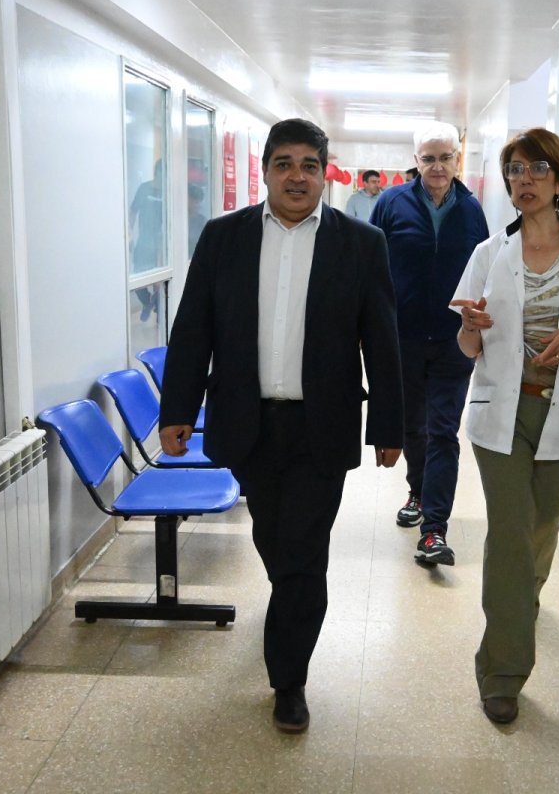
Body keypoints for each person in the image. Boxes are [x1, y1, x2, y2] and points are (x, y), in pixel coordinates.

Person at [158, 118, 404, 734]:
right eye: (285, 164)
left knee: (303, 552)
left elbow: (382, 340)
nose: (297, 176)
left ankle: (288, 680)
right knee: (275, 541)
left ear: (325, 174)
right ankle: (289, 606)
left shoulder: (361, 243)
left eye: (309, 165)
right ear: (265, 170)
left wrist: (389, 426)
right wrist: (177, 410)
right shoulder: (224, 237)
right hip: (249, 422)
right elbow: (193, 328)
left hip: (323, 424)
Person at [450, 128, 559, 725]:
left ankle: (519, 603)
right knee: (509, 533)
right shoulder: (488, 253)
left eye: (537, 170)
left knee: (540, 524)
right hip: (501, 412)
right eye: (515, 170)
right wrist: (470, 327)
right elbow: (468, 345)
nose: (524, 180)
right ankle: (502, 671)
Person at [370, 122, 490, 566]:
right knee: (412, 427)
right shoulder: (390, 204)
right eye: (428, 158)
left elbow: (486, 271)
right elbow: (369, 267)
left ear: (458, 160)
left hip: (454, 339)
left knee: (443, 429)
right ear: (416, 161)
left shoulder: (472, 210)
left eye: (445, 158)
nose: (437, 166)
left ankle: (434, 529)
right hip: (401, 337)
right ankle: (417, 492)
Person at [129, 158, 166, 321]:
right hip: (143, 242)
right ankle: (147, 303)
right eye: (162, 173)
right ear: (157, 172)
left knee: (160, 281)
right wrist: (129, 234)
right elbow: (133, 211)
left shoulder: (167, 191)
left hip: (161, 243)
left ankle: (159, 313)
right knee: (138, 277)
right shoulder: (144, 188)